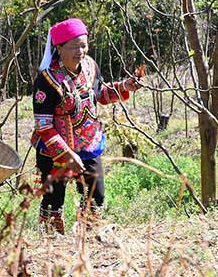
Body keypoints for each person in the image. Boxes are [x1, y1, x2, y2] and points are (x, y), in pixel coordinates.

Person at [31, 18, 141, 233]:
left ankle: (88, 242)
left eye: (83, 45)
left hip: (89, 144)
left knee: (95, 196)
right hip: (55, 151)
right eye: (73, 46)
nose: (79, 51)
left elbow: (100, 94)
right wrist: (66, 154)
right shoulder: (47, 80)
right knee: (53, 202)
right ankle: (52, 248)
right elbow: (43, 125)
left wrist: (124, 87)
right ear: (59, 47)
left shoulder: (90, 67)